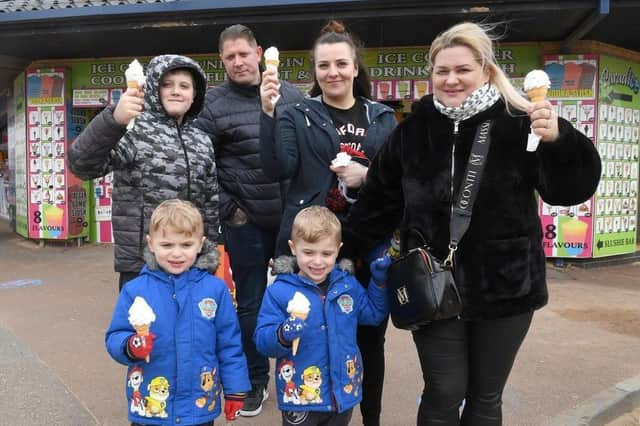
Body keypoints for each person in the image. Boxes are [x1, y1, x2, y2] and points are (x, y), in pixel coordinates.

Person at [343, 22, 601, 426]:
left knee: (485, 398)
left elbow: (569, 190)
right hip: (430, 284)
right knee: (444, 391)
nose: (451, 79)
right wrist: (342, 256)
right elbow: (377, 202)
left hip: (505, 284)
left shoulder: (520, 122)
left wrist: (560, 141)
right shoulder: (412, 131)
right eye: (442, 71)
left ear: (485, 69)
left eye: (462, 69)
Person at [259, 20, 397, 425]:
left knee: (368, 340)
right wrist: (267, 113)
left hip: (365, 242)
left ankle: (367, 417)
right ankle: (304, 414)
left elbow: (397, 179)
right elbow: (277, 167)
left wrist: (366, 176)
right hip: (309, 244)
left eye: (340, 63)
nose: (332, 72)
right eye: (323, 65)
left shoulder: (382, 116)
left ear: (356, 67)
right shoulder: (297, 113)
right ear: (314, 71)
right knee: (301, 333)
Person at [194, 23, 304, 417]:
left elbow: (305, 152)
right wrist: (231, 212)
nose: (238, 62)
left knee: (297, 302)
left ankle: (296, 379)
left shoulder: (290, 94)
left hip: (291, 221)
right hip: (246, 224)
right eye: (230, 57)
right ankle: (256, 381)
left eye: (244, 53)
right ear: (222, 61)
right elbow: (203, 166)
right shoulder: (213, 104)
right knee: (252, 306)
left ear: (259, 53)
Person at [68, 55, 219, 291]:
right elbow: (81, 165)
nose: (176, 91)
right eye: (167, 84)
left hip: (191, 260)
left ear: (195, 94)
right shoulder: (134, 129)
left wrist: (208, 253)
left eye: (184, 86)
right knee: (143, 327)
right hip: (142, 263)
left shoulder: (201, 140)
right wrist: (114, 120)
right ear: (152, 89)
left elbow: (209, 203)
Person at [105, 199, 250, 426]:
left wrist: (236, 388)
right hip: (151, 406)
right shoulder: (136, 291)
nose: (176, 254)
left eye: (185, 245)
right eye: (167, 245)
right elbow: (115, 336)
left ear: (200, 244)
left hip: (199, 405)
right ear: (151, 244)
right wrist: (130, 345)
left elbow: (229, 343)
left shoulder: (215, 289)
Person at [254, 205, 391, 426]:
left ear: (338, 250)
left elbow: (373, 314)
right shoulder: (279, 291)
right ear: (293, 248)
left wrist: (379, 282)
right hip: (299, 397)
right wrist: (282, 334)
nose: (317, 261)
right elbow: (262, 341)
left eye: (326, 253)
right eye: (308, 252)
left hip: (342, 395)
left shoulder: (347, 285)